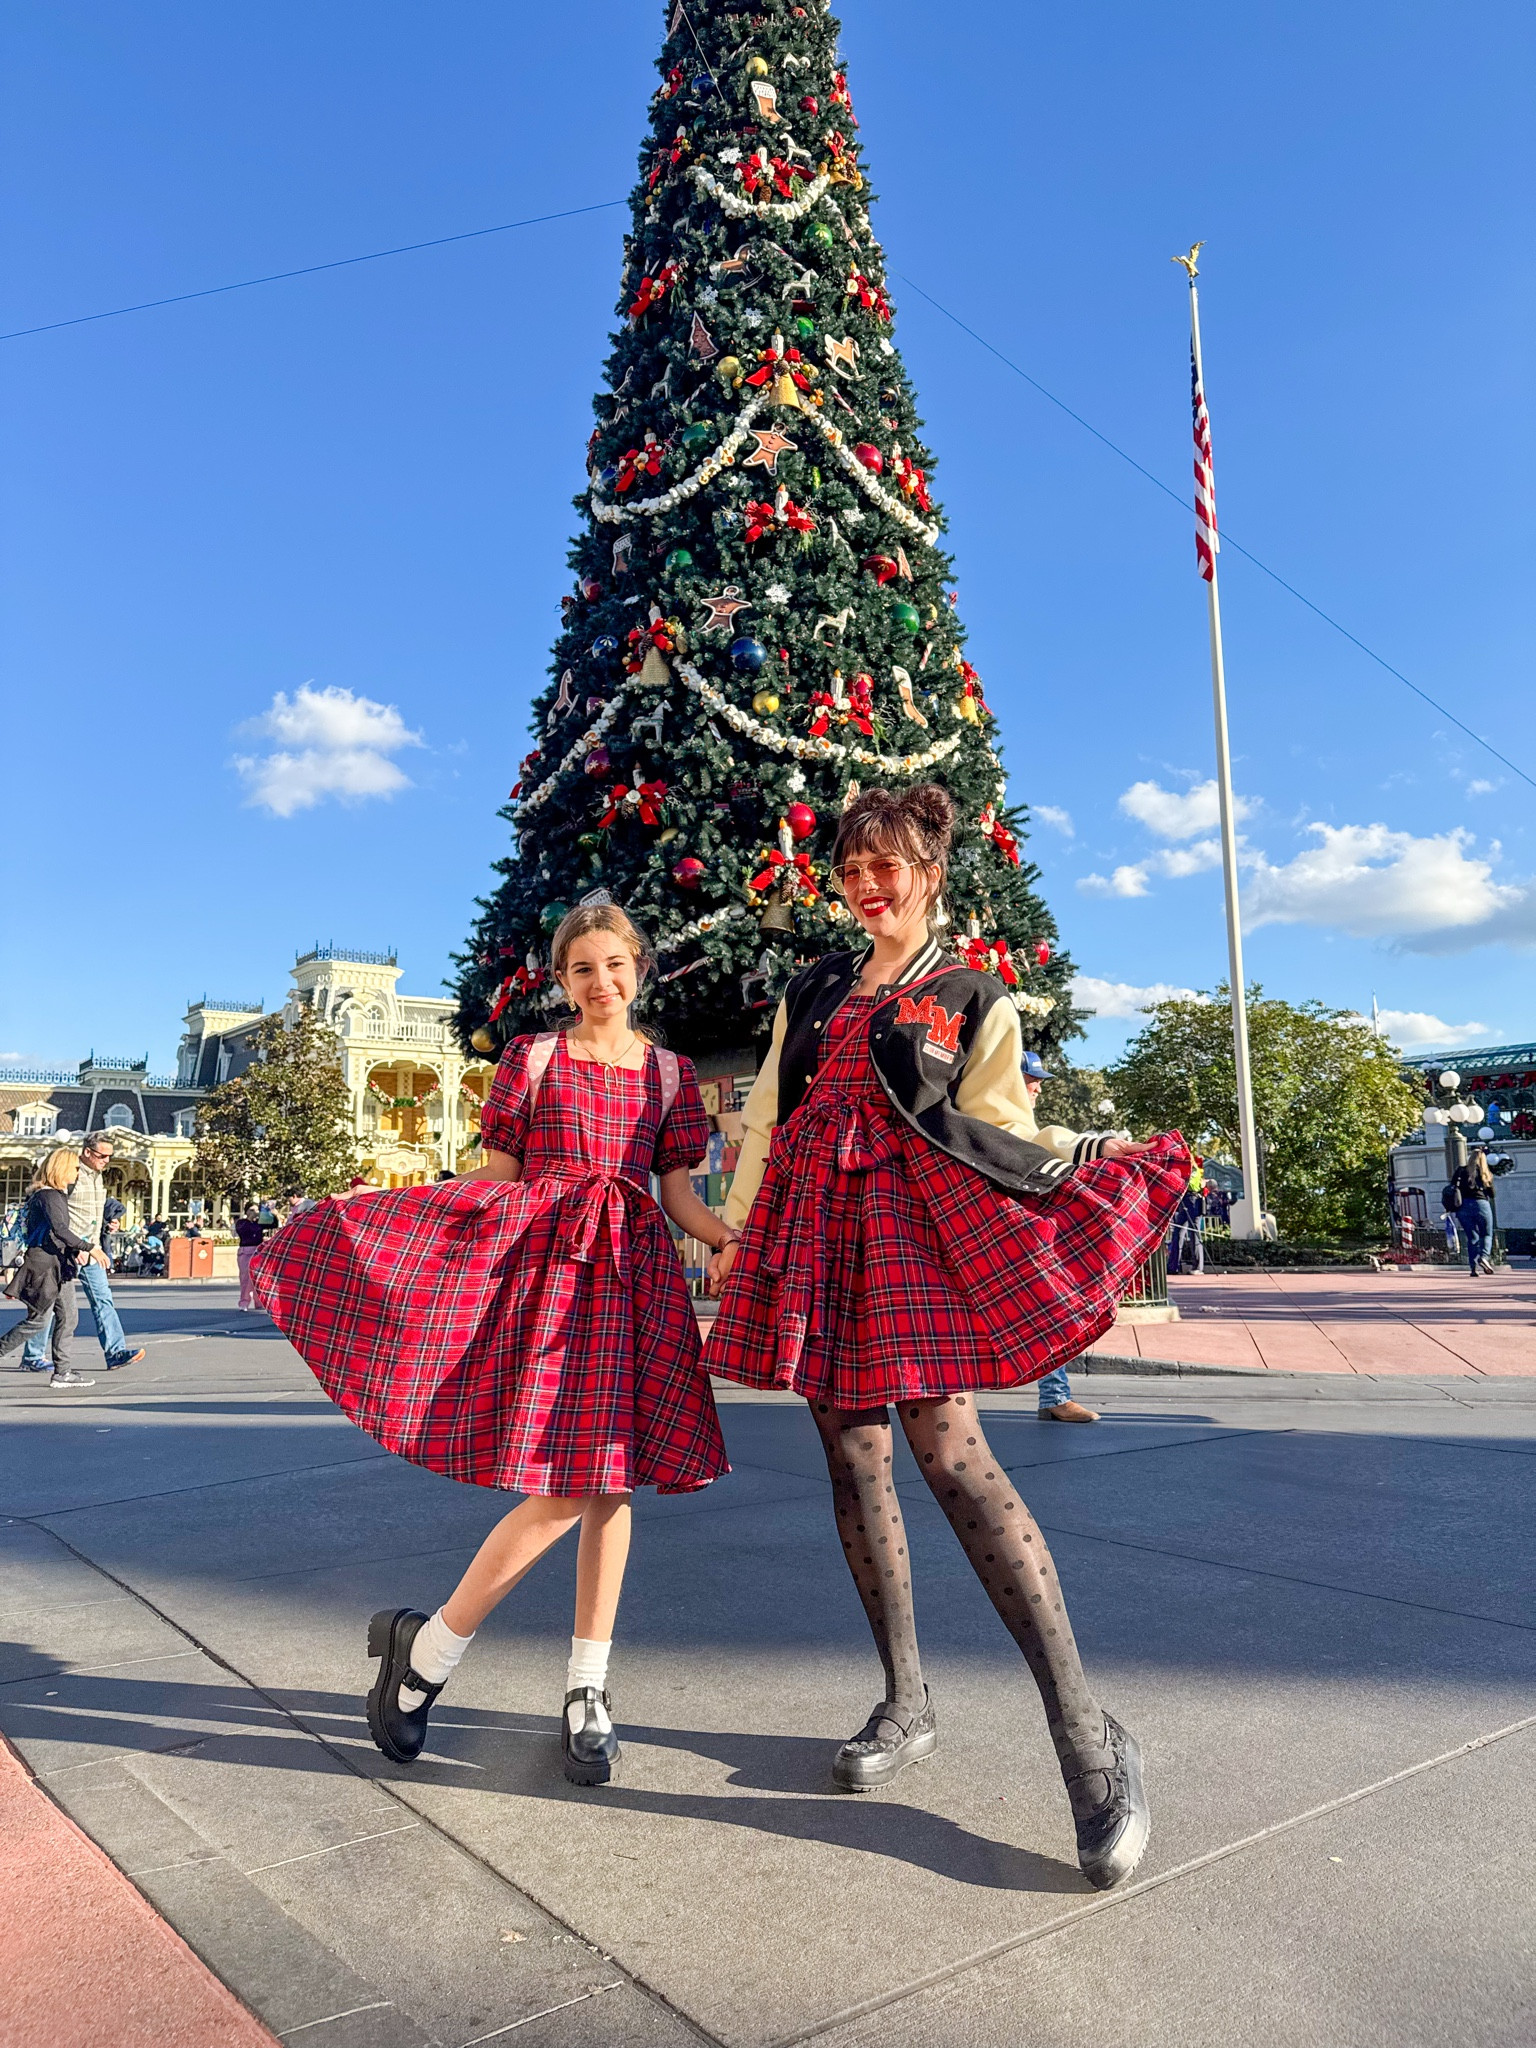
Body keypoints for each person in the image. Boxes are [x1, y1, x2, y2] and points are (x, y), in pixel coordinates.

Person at [709, 786, 1188, 1890]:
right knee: (854, 1459)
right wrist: (740, 1229)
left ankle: (1088, 1739)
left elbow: (1002, 1124)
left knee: (956, 1460)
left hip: (912, 1238)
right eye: (853, 866)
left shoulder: (974, 993)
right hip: (816, 1238)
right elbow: (772, 1116)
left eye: (891, 864)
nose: (869, 882)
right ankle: (906, 1697)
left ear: (930, 873)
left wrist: (1089, 1152)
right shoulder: (815, 987)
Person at [253, 904, 732, 1786]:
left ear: (641, 968)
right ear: (562, 980)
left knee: (612, 1485)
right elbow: (499, 1176)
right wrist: (385, 1209)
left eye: (615, 965)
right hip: (548, 1277)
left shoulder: (669, 1074)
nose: (601, 983)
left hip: (635, 1279)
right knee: (565, 1486)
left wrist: (731, 1238)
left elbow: (678, 1196)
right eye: (582, 968)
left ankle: (580, 1684)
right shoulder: (535, 1059)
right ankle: (431, 1651)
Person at [1016, 1051, 1107, 1425]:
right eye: (1029, 1079)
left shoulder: (1028, 1123)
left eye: (1038, 1080)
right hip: (995, 1232)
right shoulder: (990, 1116)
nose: (1037, 1087)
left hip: (1025, 1232)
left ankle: (1054, 1396)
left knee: (1052, 1306)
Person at [19, 1136, 145, 1374]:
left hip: (92, 1249)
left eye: (110, 1156)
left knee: (103, 1299)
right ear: (87, 1152)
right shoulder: (70, 1175)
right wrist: (76, 1246)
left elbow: (90, 1214)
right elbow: (57, 1215)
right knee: (46, 1304)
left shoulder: (98, 1177)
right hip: (67, 1250)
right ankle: (33, 1355)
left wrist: (108, 1224)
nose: (106, 1161)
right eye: (101, 1156)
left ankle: (115, 1352)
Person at [1, 1149, 97, 1387]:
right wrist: (90, 1247)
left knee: (67, 1317)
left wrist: (75, 1251)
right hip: (44, 1266)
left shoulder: (50, 1196)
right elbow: (60, 1230)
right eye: (75, 1168)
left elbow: (53, 1233)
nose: (78, 1172)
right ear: (62, 1168)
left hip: (56, 1265)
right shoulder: (49, 1196)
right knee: (39, 1321)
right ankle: (60, 1371)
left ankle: (62, 1372)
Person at [1453, 1149, 1496, 1276]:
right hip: (1481, 1204)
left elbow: (1453, 1186)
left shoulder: (1461, 1171)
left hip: (1463, 1206)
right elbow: (1492, 1194)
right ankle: (1484, 1257)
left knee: (1472, 1237)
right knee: (1486, 1234)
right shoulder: (1485, 1173)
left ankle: (1473, 1268)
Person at [233, 1205, 266, 1310]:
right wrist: (251, 1219)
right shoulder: (241, 1223)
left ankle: (259, 1301)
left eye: (256, 1210)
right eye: (251, 1210)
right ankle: (244, 1302)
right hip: (245, 1252)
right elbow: (244, 1231)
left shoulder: (259, 1223)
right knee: (245, 1278)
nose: (254, 1212)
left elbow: (273, 1223)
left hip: (258, 1251)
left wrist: (268, 1212)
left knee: (258, 1278)